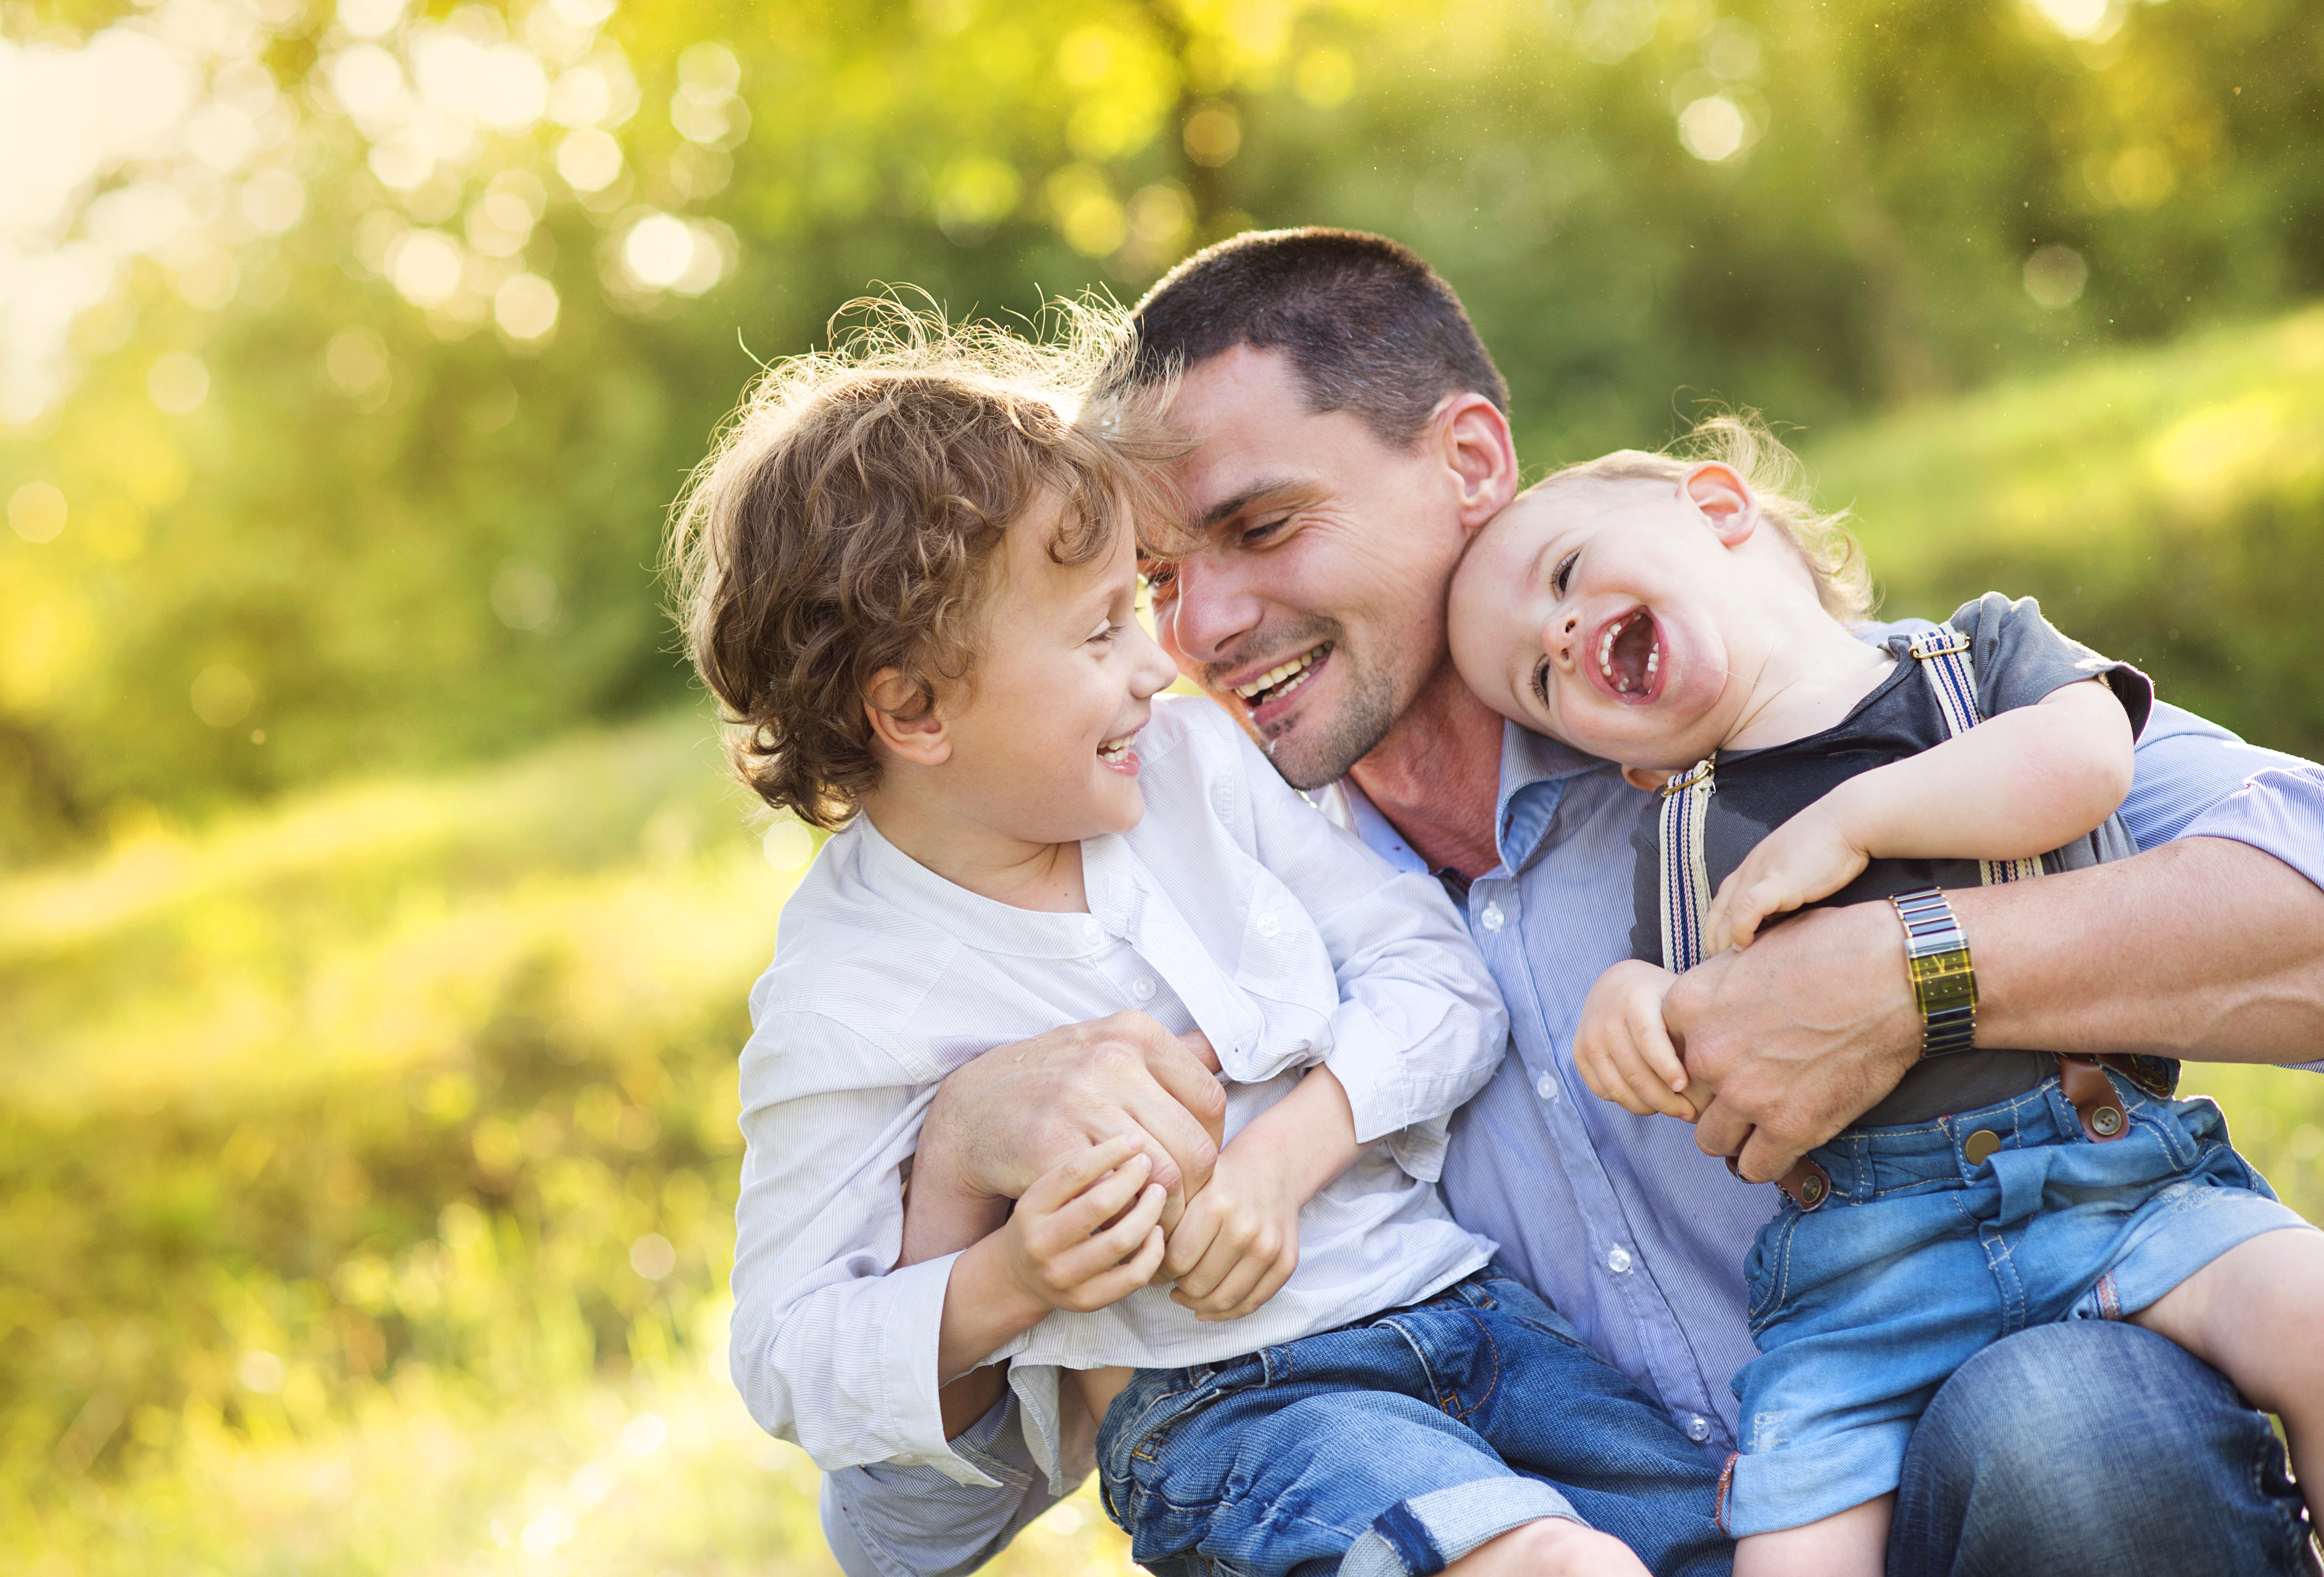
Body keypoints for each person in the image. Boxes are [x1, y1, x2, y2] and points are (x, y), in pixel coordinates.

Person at [824, 230, 2324, 1577]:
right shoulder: (1158, 894)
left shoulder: (1822, 708)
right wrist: (958, 1160)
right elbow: (903, 1530)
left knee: (2069, 1418)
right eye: (1154, 579)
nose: (1202, 627)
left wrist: (1915, 965)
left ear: (1471, 461)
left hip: (1964, 1479)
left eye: (1263, 528)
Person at [670, 315, 1733, 1577]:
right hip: (1241, 1411)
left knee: (1727, 1545)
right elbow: (790, 1353)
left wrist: (1285, 1156)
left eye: (1138, 606)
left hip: (1471, 1315)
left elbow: (1435, 978)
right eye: (1095, 631)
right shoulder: (847, 990)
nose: (1154, 665)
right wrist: (1010, 1276)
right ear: (912, 708)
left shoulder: (1198, 772)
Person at [1445, 425, 2324, 1574]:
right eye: (1542, 680)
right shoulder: (1673, 829)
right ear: (1627, 766)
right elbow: (1692, 1002)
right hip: (1860, 1279)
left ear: (1718, 508)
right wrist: (1627, 1000)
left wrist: (1853, 822)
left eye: (1564, 575)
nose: (1560, 635)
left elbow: (2082, 767)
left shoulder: (1975, 661)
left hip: (2106, 1185)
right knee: (1784, 1545)